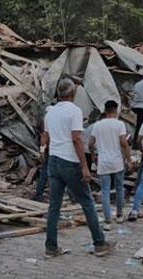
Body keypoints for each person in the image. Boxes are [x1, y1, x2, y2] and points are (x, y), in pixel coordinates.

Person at [43, 78, 113, 258]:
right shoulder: (74, 111)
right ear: (73, 93)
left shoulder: (50, 112)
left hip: (54, 160)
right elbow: (76, 139)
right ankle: (99, 243)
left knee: (54, 206)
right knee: (87, 202)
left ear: (58, 93)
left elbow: (46, 138)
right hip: (69, 161)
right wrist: (84, 166)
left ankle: (50, 247)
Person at [87, 100, 132, 229]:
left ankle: (107, 220)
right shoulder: (119, 124)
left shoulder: (98, 125)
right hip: (117, 161)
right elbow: (124, 143)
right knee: (119, 188)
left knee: (105, 191)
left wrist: (93, 155)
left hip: (103, 161)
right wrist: (128, 159)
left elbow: (90, 144)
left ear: (105, 110)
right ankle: (119, 215)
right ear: (116, 110)